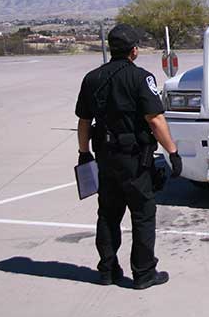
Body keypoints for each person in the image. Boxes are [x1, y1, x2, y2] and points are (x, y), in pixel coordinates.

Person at [75, 23, 182, 289]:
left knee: (108, 214)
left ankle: (107, 270)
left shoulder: (92, 78)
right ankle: (144, 272)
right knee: (143, 214)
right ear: (134, 51)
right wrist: (173, 152)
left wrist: (83, 153)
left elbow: (84, 122)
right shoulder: (141, 78)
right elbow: (155, 119)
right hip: (134, 159)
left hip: (105, 157)